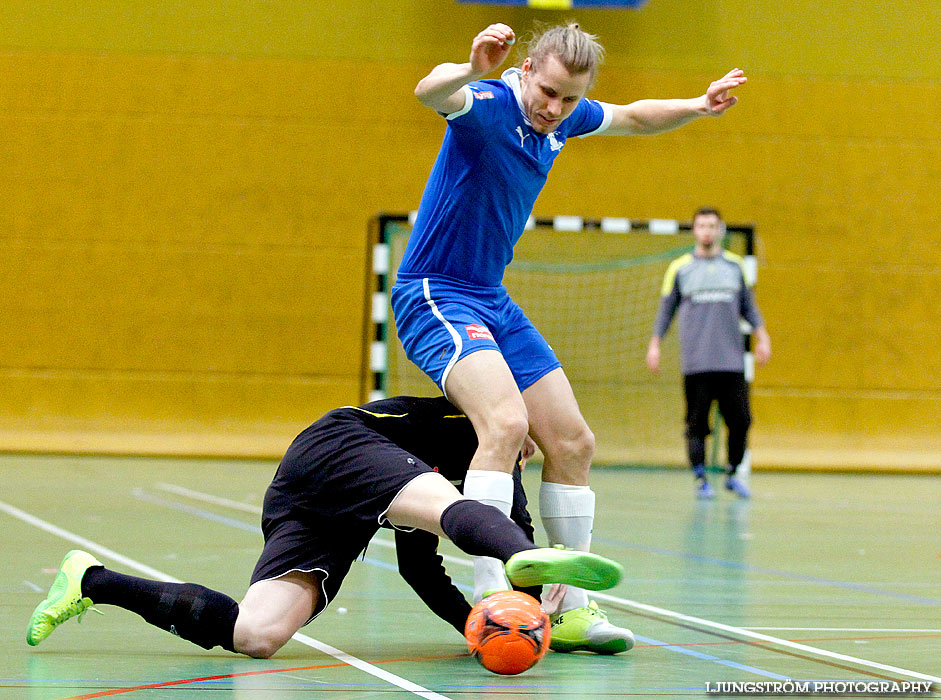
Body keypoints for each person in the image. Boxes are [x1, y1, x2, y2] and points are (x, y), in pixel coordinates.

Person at [391, 21, 746, 653]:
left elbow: (635, 117)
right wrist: (472, 67)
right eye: (548, 92)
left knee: (574, 442)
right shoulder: (492, 105)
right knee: (502, 425)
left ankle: (572, 611)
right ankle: (494, 600)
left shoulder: (564, 118)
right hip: (435, 291)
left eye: (569, 100)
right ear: (526, 70)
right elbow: (429, 92)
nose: (556, 109)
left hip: (491, 298)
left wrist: (697, 103)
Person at [26, 396, 624, 658]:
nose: (524, 453)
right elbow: (473, 518)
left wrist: (482, 626)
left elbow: (420, 565)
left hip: (325, 508)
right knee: (451, 510)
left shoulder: (499, 477)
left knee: (256, 635)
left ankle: (90, 580)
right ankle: (524, 558)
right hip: (336, 447)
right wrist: (521, 561)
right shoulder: (472, 423)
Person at [646, 207, 771, 499]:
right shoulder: (680, 269)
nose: (707, 231)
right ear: (694, 230)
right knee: (696, 423)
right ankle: (700, 478)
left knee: (741, 420)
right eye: (701, 225)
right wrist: (655, 344)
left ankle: (732, 473)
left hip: (731, 362)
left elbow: (749, 307)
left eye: (712, 225)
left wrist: (762, 336)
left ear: (720, 230)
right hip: (696, 363)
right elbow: (666, 311)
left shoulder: (735, 267)